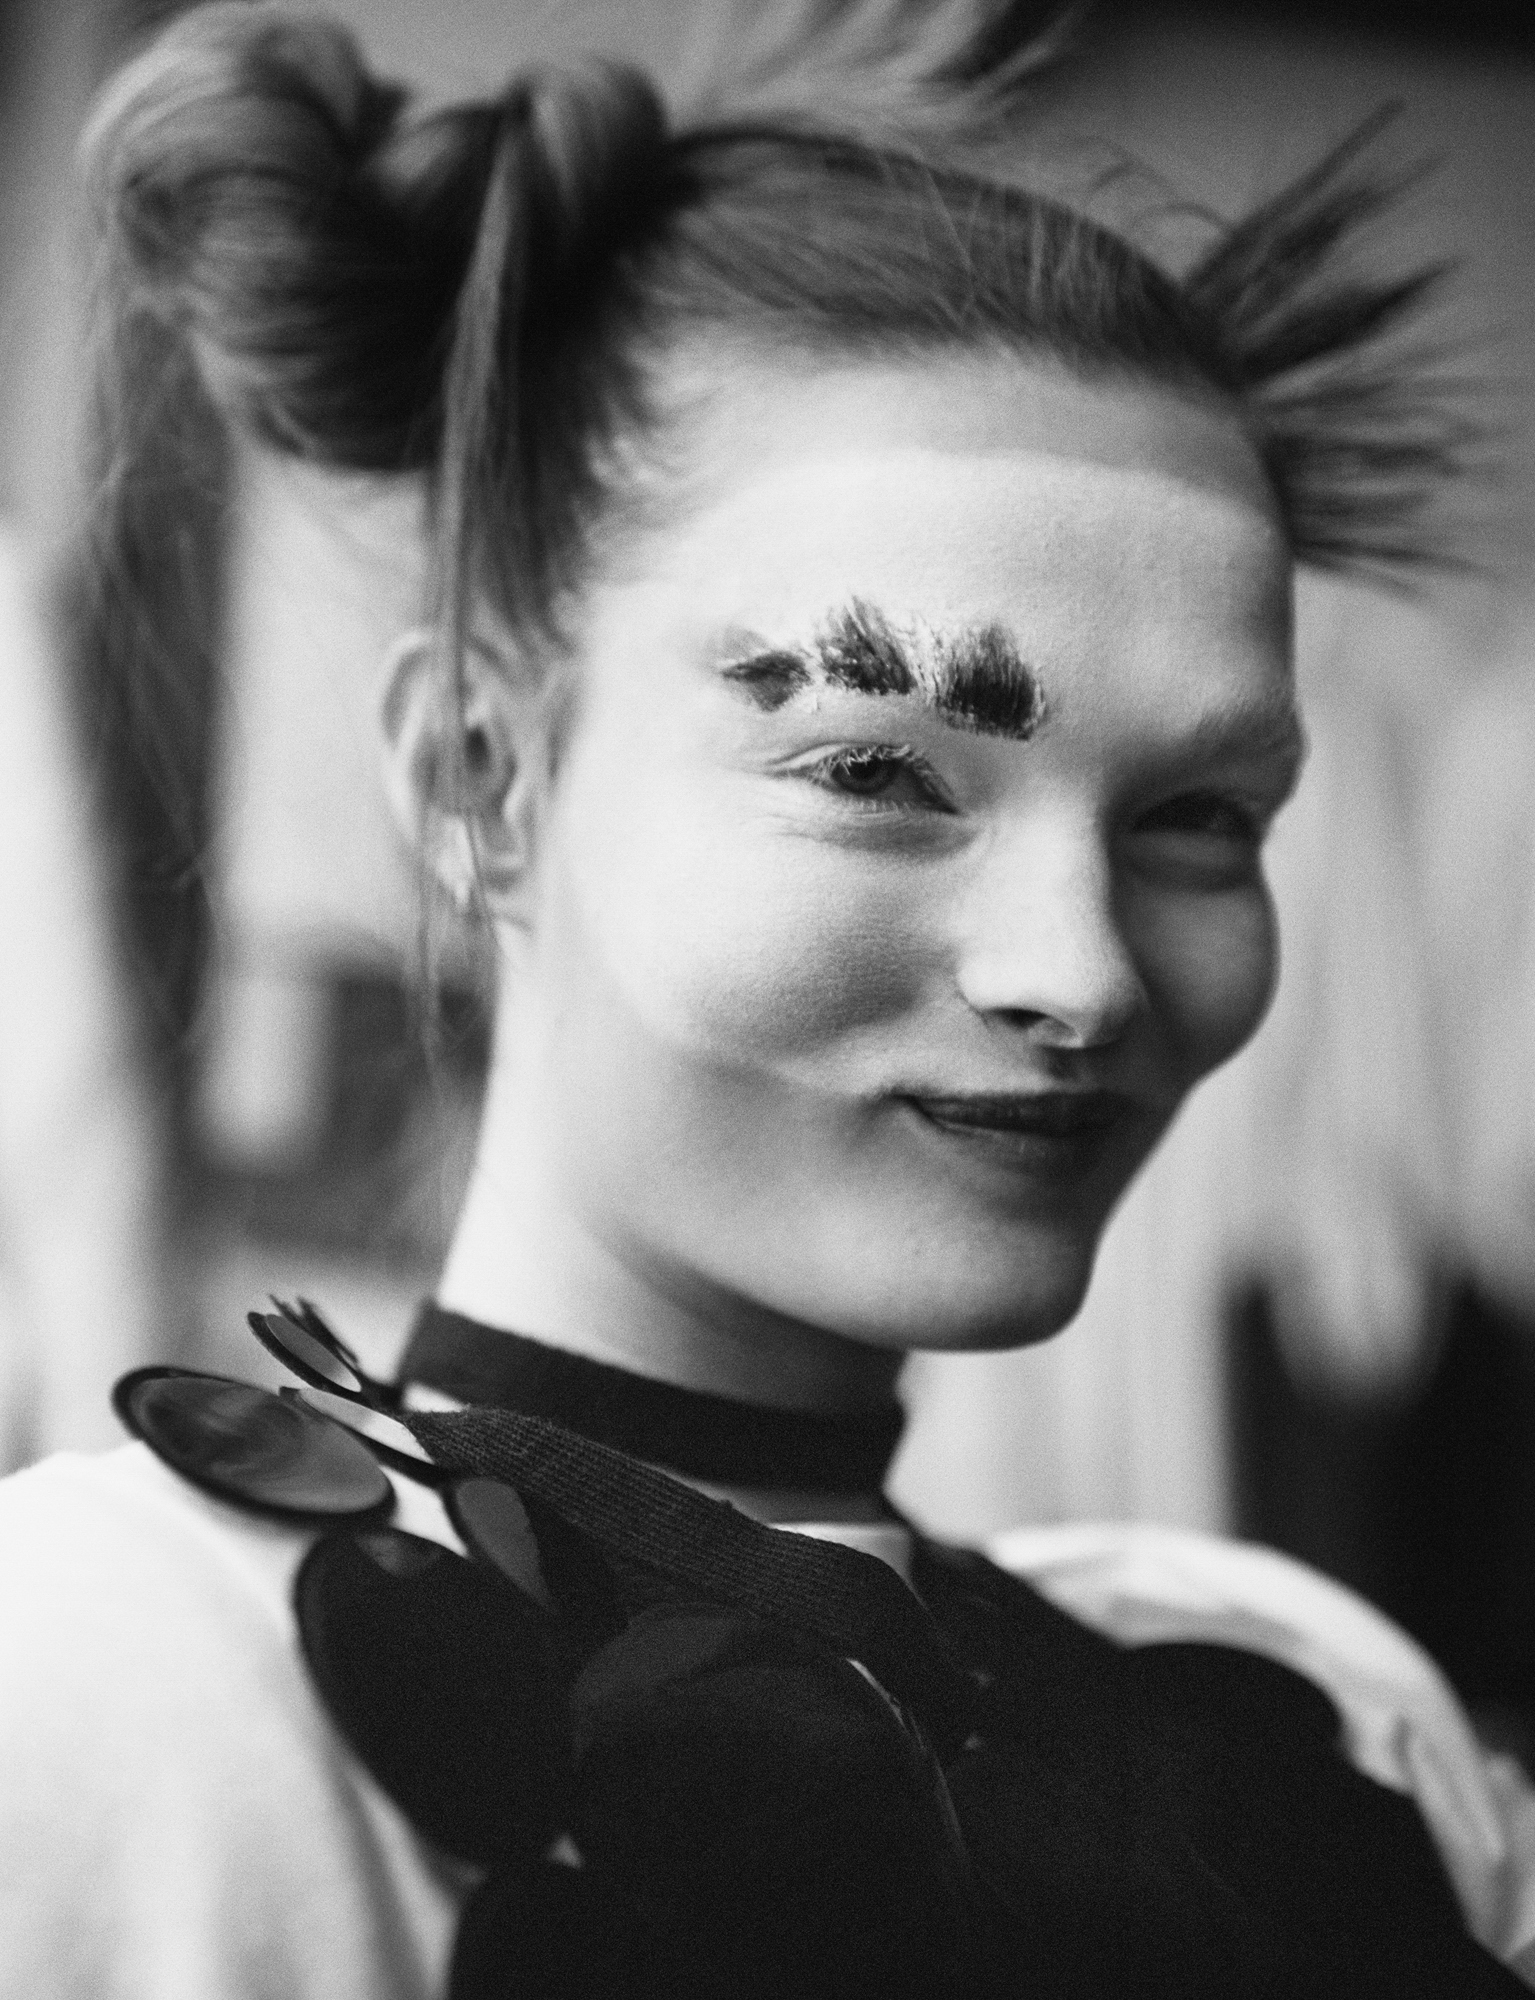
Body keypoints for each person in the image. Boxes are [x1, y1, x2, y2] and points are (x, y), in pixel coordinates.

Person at [0, 2, 1530, 1995]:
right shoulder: (107, 1686)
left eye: (1199, 815)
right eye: (881, 773)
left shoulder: (1334, 1717)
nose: (1080, 974)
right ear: (484, 778)